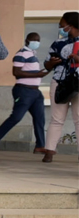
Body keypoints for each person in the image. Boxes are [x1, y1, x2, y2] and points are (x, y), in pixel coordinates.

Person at [0, 32, 51, 153]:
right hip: (24, 91)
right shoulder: (21, 53)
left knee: (40, 119)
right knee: (16, 117)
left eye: (38, 40)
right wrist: (38, 74)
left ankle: (40, 145)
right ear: (27, 40)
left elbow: (33, 71)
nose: (36, 42)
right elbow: (16, 72)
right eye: (34, 40)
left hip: (36, 92)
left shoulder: (33, 54)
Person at [42, 11, 79, 163]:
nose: (60, 28)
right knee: (56, 118)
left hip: (77, 82)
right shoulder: (58, 43)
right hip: (59, 82)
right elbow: (46, 63)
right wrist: (51, 63)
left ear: (71, 26)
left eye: (62, 25)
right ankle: (49, 151)